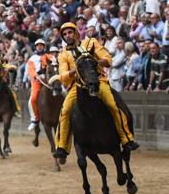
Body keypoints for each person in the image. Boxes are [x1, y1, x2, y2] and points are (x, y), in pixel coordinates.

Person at [53, 22, 139, 161]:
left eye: (70, 32)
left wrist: (92, 63)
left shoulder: (91, 42)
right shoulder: (63, 55)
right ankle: (62, 147)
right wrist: (75, 70)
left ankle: (126, 139)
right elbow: (63, 76)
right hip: (78, 86)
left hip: (99, 81)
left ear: (75, 32)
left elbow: (107, 59)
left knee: (112, 104)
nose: (67, 35)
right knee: (65, 110)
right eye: (64, 34)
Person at [26, 39, 51, 131]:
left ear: (44, 47)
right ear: (36, 47)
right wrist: (36, 75)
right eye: (38, 45)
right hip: (37, 81)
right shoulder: (31, 59)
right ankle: (35, 119)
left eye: (41, 45)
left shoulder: (49, 56)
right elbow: (31, 70)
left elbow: (55, 64)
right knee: (32, 99)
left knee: (62, 92)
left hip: (49, 81)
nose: (39, 47)